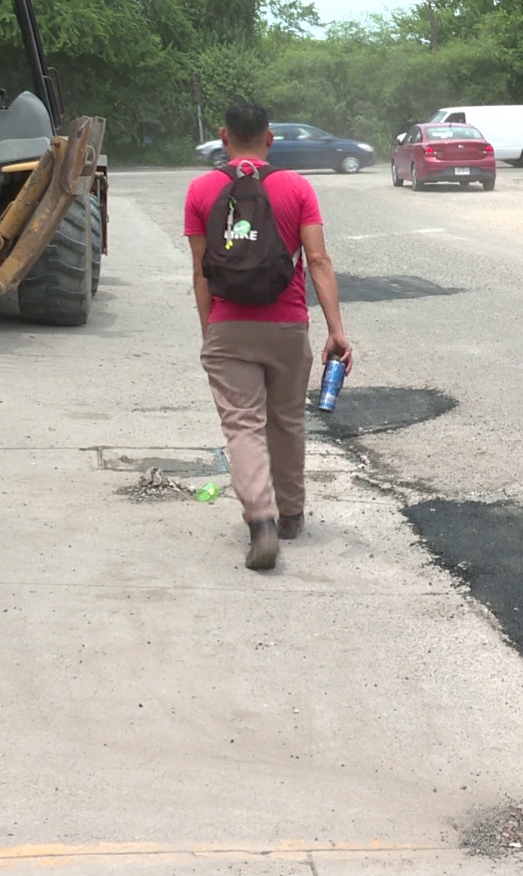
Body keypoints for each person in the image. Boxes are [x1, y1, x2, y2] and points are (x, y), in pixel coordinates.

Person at [183, 100, 353, 571]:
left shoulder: (200, 190)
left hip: (228, 325)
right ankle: (292, 513)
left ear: (223, 136)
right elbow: (317, 260)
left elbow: (201, 274)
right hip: (286, 324)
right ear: (270, 138)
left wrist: (209, 332)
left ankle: (261, 522)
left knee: (243, 423)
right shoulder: (296, 187)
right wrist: (336, 331)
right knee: (286, 420)